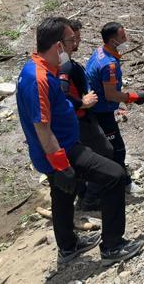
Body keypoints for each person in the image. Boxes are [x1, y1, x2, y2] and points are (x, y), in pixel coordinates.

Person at [16, 17, 144, 264]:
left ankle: (68, 246)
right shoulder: (39, 78)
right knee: (114, 175)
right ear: (58, 46)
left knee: (62, 194)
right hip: (61, 150)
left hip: (58, 148)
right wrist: (62, 166)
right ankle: (113, 247)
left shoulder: (38, 69)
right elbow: (42, 128)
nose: (74, 44)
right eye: (70, 40)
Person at [85, 22, 144, 191]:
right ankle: (123, 183)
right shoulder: (109, 65)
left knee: (101, 146)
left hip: (94, 107)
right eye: (122, 37)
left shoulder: (99, 52)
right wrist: (133, 97)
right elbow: (111, 94)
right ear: (113, 41)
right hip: (101, 111)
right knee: (117, 149)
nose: (126, 39)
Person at [59, 19, 115, 211]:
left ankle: (83, 192)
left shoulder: (65, 62)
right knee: (106, 152)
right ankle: (90, 198)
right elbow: (62, 92)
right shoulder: (64, 66)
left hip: (79, 117)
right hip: (81, 119)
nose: (78, 42)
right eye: (74, 38)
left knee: (83, 156)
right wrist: (82, 102)